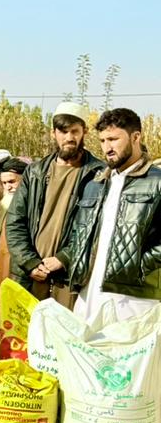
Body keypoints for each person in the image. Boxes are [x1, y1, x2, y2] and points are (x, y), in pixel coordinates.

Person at [61, 108, 161, 322]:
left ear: (136, 137)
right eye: (103, 140)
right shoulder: (94, 184)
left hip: (135, 299)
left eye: (113, 139)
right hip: (88, 295)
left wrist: (138, 266)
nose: (107, 147)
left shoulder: (157, 182)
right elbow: (79, 232)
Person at [5, 102, 105, 308]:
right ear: (53, 133)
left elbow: (97, 227)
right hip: (31, 274)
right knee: (26, 336)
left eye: (75, 131)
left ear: (84, 131)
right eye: (63, 131)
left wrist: (64, 257)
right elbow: (15, 222)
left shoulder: (99, 174)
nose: (69, 137)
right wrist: (30, 263)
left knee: (64, 335)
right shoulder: (35, 173)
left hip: (68, 278)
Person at [0, 157, 28, 339]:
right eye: (4, 183)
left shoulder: (32, 204)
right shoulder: (4, 203)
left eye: (12, 182)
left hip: (18, 269)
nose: (8, 187)